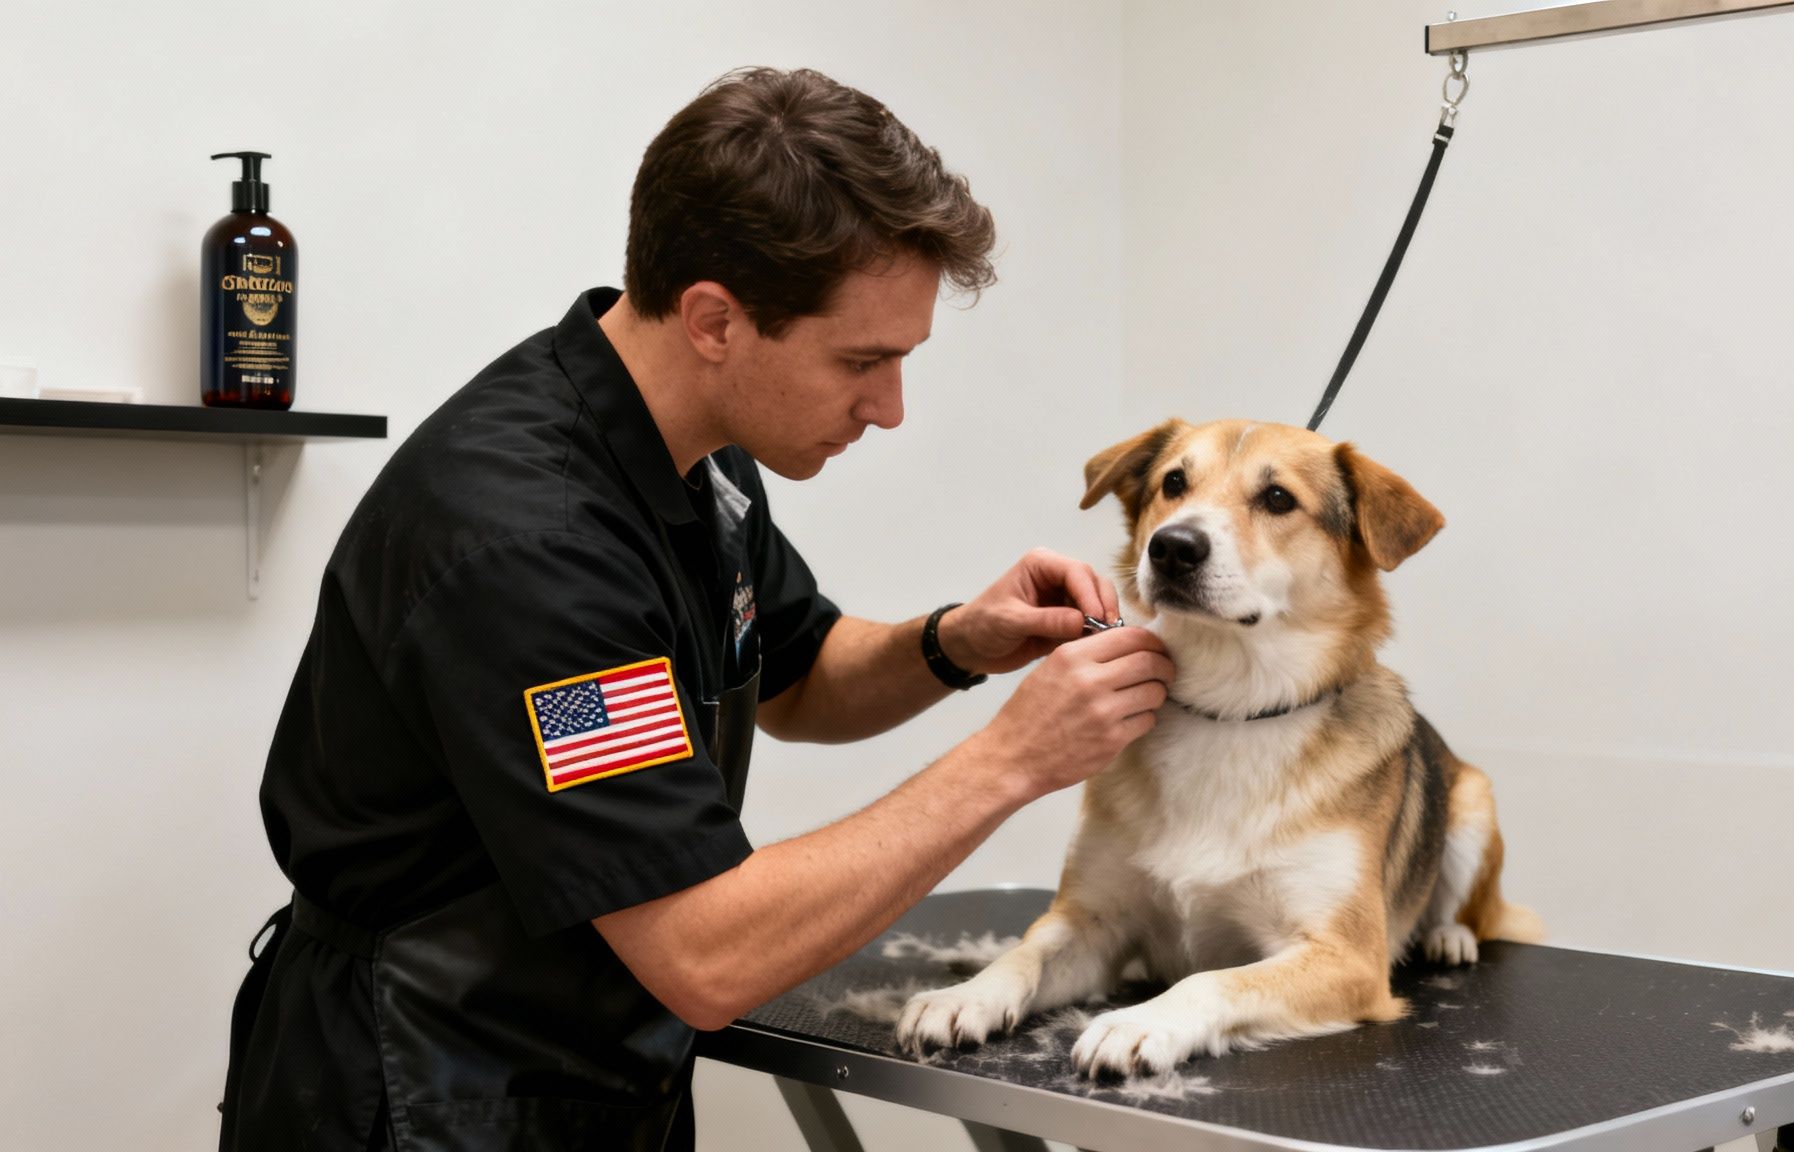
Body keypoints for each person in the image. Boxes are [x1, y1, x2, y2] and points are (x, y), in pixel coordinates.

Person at [218, 66, 1173, 1152]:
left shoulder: (693, 455)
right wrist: (1015, 758)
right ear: (715, 318)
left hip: (588, 1071)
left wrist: (954, 643)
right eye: (862, 361)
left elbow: (797, 675)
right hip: (426, 1091)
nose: (889, 408)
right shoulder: (533, 546)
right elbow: (706, 953)